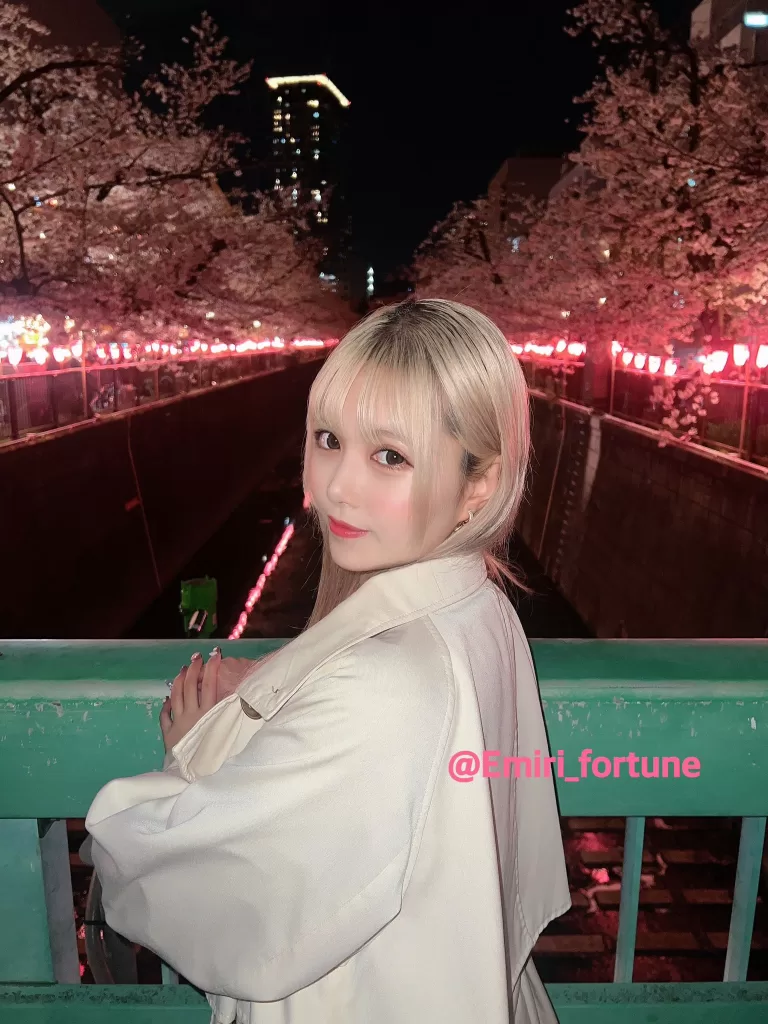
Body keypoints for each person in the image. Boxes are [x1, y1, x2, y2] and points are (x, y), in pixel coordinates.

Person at [84, 298, 571, 1024]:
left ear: (480, 484)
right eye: (328, 438)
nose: (337, 486)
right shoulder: (484, 610)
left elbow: (185, 879)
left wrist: (197, 752)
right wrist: (288, 688)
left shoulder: (385, 686)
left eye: (390, 456)